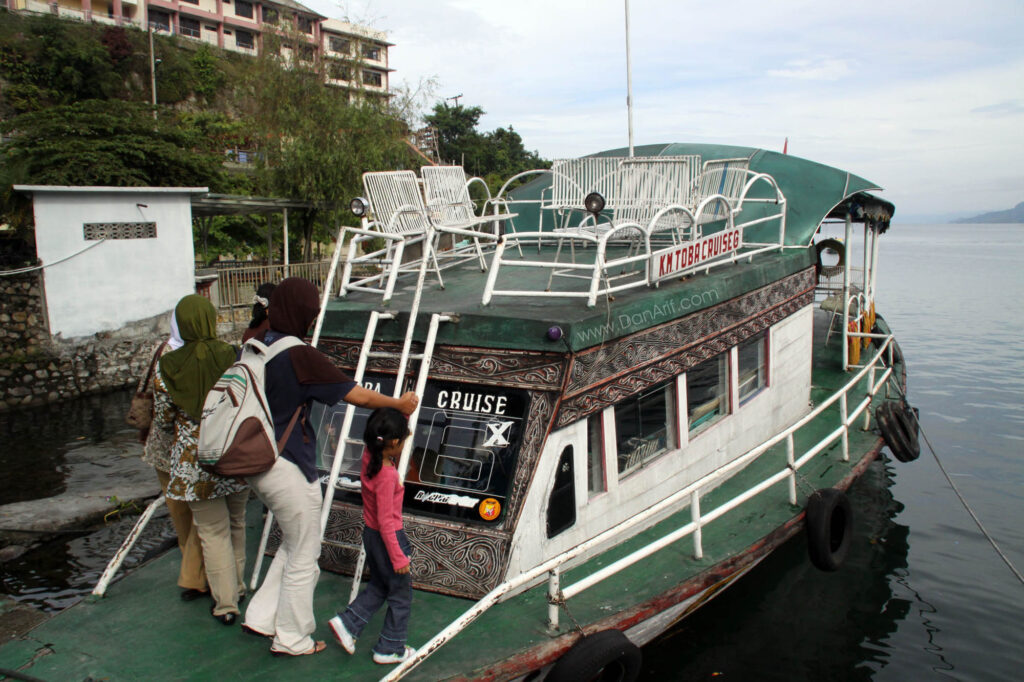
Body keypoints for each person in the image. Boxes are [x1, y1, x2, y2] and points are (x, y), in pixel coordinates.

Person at [241, 277, 417, 657]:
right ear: (304, 312)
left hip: (254, 460)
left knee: (293, 540)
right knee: (305, 555)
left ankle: (260, 615)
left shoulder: (254, 343)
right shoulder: (298, 353)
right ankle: (292, 638)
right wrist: (399, 405)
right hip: (286, 466)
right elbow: (357, 394)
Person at [152, 294, 249, 625]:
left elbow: (164, 418)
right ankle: (237, 586)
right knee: (236, 522)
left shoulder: (168, 366)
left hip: (194, 462)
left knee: (212, 531)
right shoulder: (234, 356)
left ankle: (226, 605)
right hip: (234, 454)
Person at [328, 408, 415, 665]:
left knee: (379, 584)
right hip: (389, 540)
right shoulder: (387, 475)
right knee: (401, 596)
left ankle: (349, 623)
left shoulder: (370, 456)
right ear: (396, 443)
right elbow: (388, 523)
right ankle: (390, 648)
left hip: (371, 536)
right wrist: (399, 558)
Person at [142, 313, 208, 601]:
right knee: (202, 515)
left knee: (180, 515)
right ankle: (196, 577)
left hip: (160, 448)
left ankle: (193, 575)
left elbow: (159, 406)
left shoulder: (161, 351)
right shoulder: (194, 354)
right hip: (186, 449)